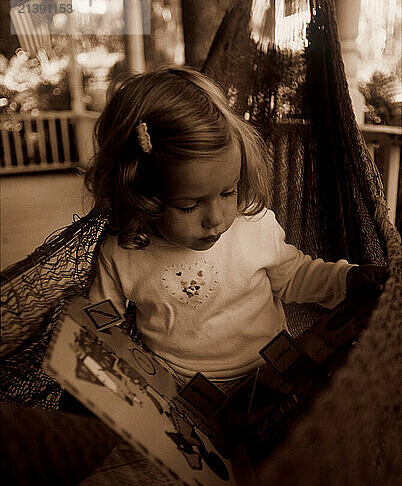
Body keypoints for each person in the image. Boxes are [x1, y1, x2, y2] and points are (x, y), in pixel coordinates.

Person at [86, 66, 386, 386]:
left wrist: (347, 278)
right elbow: (100, 318)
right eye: (189, 205)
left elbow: (296, 276)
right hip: (180, 393)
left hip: (274, 375)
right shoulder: (123, 251)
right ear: (140, 194)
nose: (216, 218)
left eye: (228, 192)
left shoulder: (254, 226)